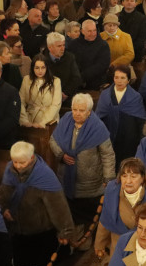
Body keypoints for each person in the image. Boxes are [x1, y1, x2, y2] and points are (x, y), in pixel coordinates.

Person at [0, 142, 76, 266]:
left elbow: (58, 206)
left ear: (31, 158)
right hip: (18, 226)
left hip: (41, 228)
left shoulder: (44, 176)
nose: (18, 166)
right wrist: (3, 209)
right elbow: (4, 193)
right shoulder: (9, 170)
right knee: (20, 261)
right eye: (15, 162)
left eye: (22, 162)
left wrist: (65, 231)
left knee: (50, 260)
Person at [49, 93, 115, 225]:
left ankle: (85, 243)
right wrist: (61, 155)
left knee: (88, 221)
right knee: (70, 218)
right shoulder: (66, 120)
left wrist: (108, 179)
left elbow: (108, 155)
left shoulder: (98, 127)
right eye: (74, 109)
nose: (77, 113)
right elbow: (53, 140)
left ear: (89, 112)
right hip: (66, 179)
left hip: (90, 184)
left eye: (81, 110)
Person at [96, 65, 146, 166]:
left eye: (123, 78)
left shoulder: (136, 97)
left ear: (128, 80)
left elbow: (141, 122)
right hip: (108, 140)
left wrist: (142, 144)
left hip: (129, 142)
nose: (119, 81)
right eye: (116, 77)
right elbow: (98, 119)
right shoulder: (105, 95)